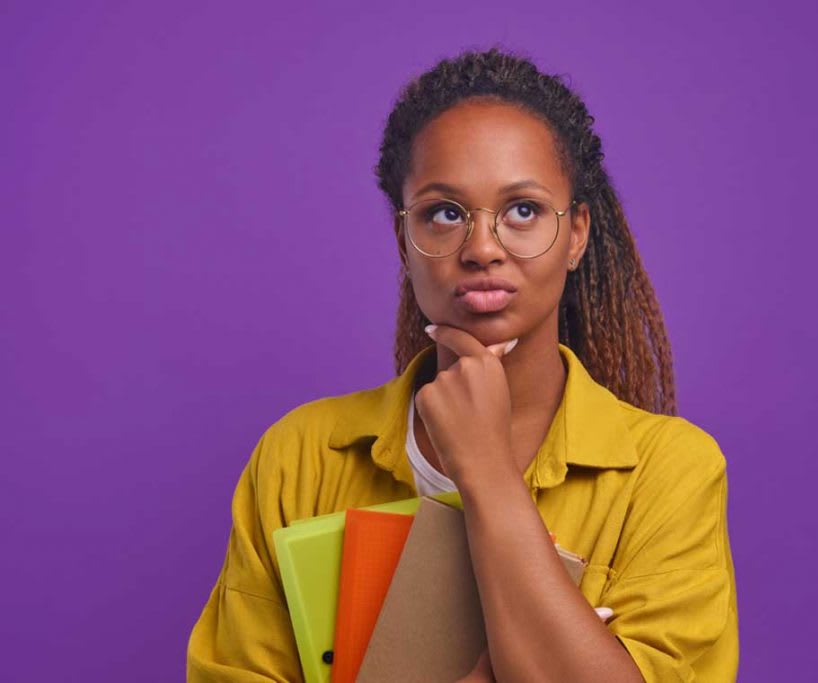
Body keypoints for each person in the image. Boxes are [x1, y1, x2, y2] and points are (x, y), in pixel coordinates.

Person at [186, 46, 739, 682]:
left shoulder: (671, 473)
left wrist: (486, 471)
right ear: (404, 238)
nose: (481, 248)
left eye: (523, 211)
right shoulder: (300, 456)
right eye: (445, 213)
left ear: (577, 234)